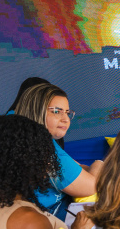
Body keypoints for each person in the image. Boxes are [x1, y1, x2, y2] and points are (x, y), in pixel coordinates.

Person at [14, 83, 102, 219]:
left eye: (67, 112)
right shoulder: (42, 148)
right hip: (48, 219)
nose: (65, 119)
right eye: (56, 111)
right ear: (36, 112)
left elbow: (76, 168)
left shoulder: (38, 140)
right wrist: (99, 164)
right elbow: (92, 186)